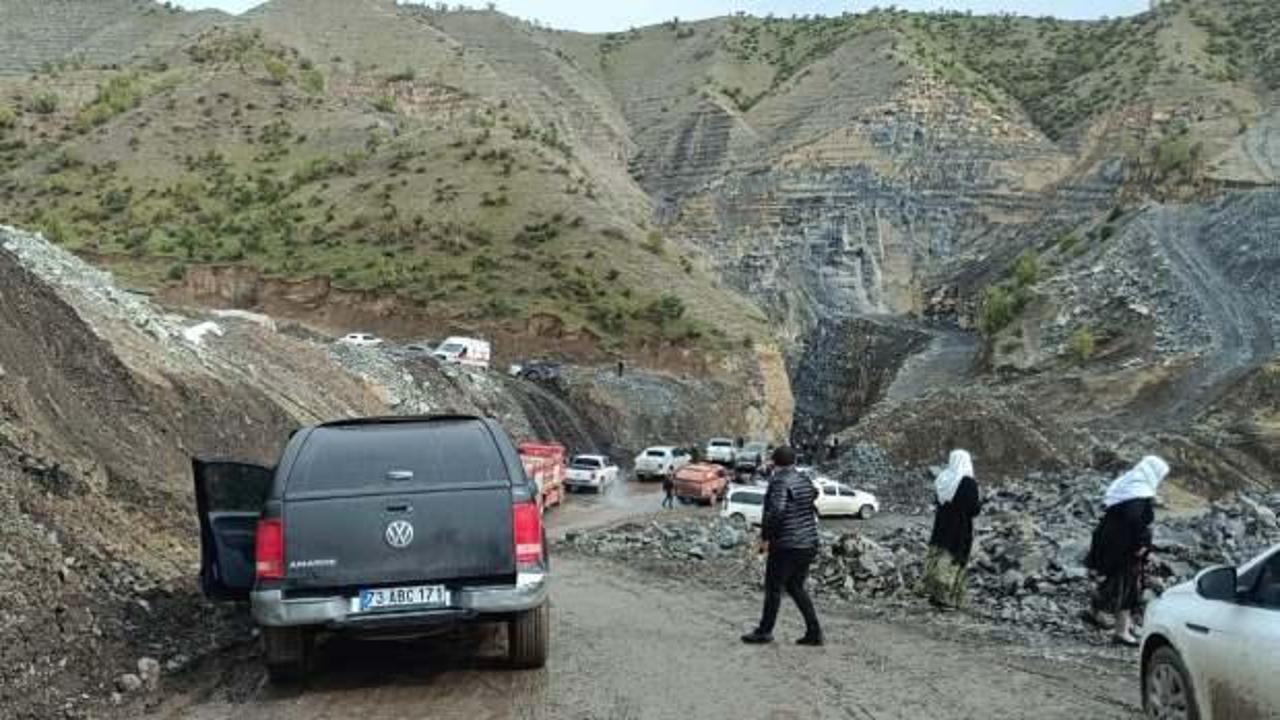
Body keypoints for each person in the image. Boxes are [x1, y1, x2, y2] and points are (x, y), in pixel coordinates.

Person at [742, 446, 824, 646]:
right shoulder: (804, 479)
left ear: (774, 462)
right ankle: (814, 632)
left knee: (773, 588)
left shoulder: (779, 481)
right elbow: (813, 496)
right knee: (795, 586)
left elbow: (777, 511)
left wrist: (766, 537)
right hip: (808, 542)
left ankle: (764, 631)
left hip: (786, 544)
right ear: (794, 461)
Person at [1084, 455, 1168, 646]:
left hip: (1109, 542)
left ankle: (1096, 612)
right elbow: (1133, 523)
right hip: (1124, 548)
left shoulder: (1129, 486)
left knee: (1115, 581)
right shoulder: (1138, 495)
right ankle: (1121, 631)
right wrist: (1141, 548)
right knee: (1128, 587)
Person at [920, 450, 982, 609]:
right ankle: (947, 599)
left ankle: (934, 595)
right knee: (954, 561)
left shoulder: (943, 478)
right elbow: (974, 509)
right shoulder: (968, 482)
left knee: (938, 558)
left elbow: (937, 501)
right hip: (959, 529)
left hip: (941, 527)